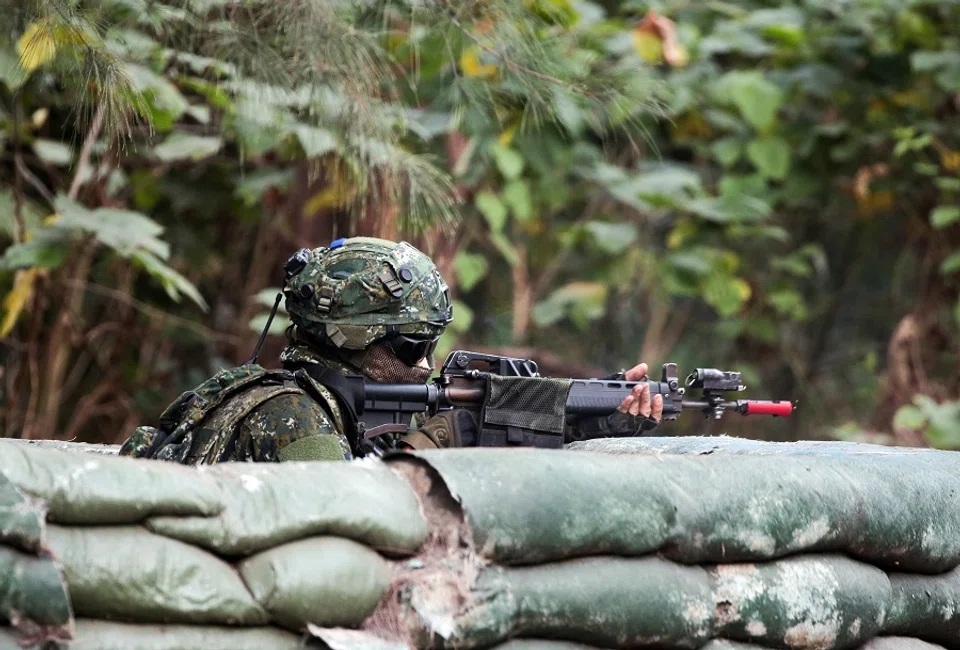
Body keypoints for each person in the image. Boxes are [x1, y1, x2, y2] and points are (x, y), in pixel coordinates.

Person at [119, 237, 663, 464]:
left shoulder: (303, 397)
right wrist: (424, 449)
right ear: (352, 340)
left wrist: (605, 413)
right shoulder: (293, 419)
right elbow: (347, 529)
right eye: (413, 344)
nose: (426, 362)